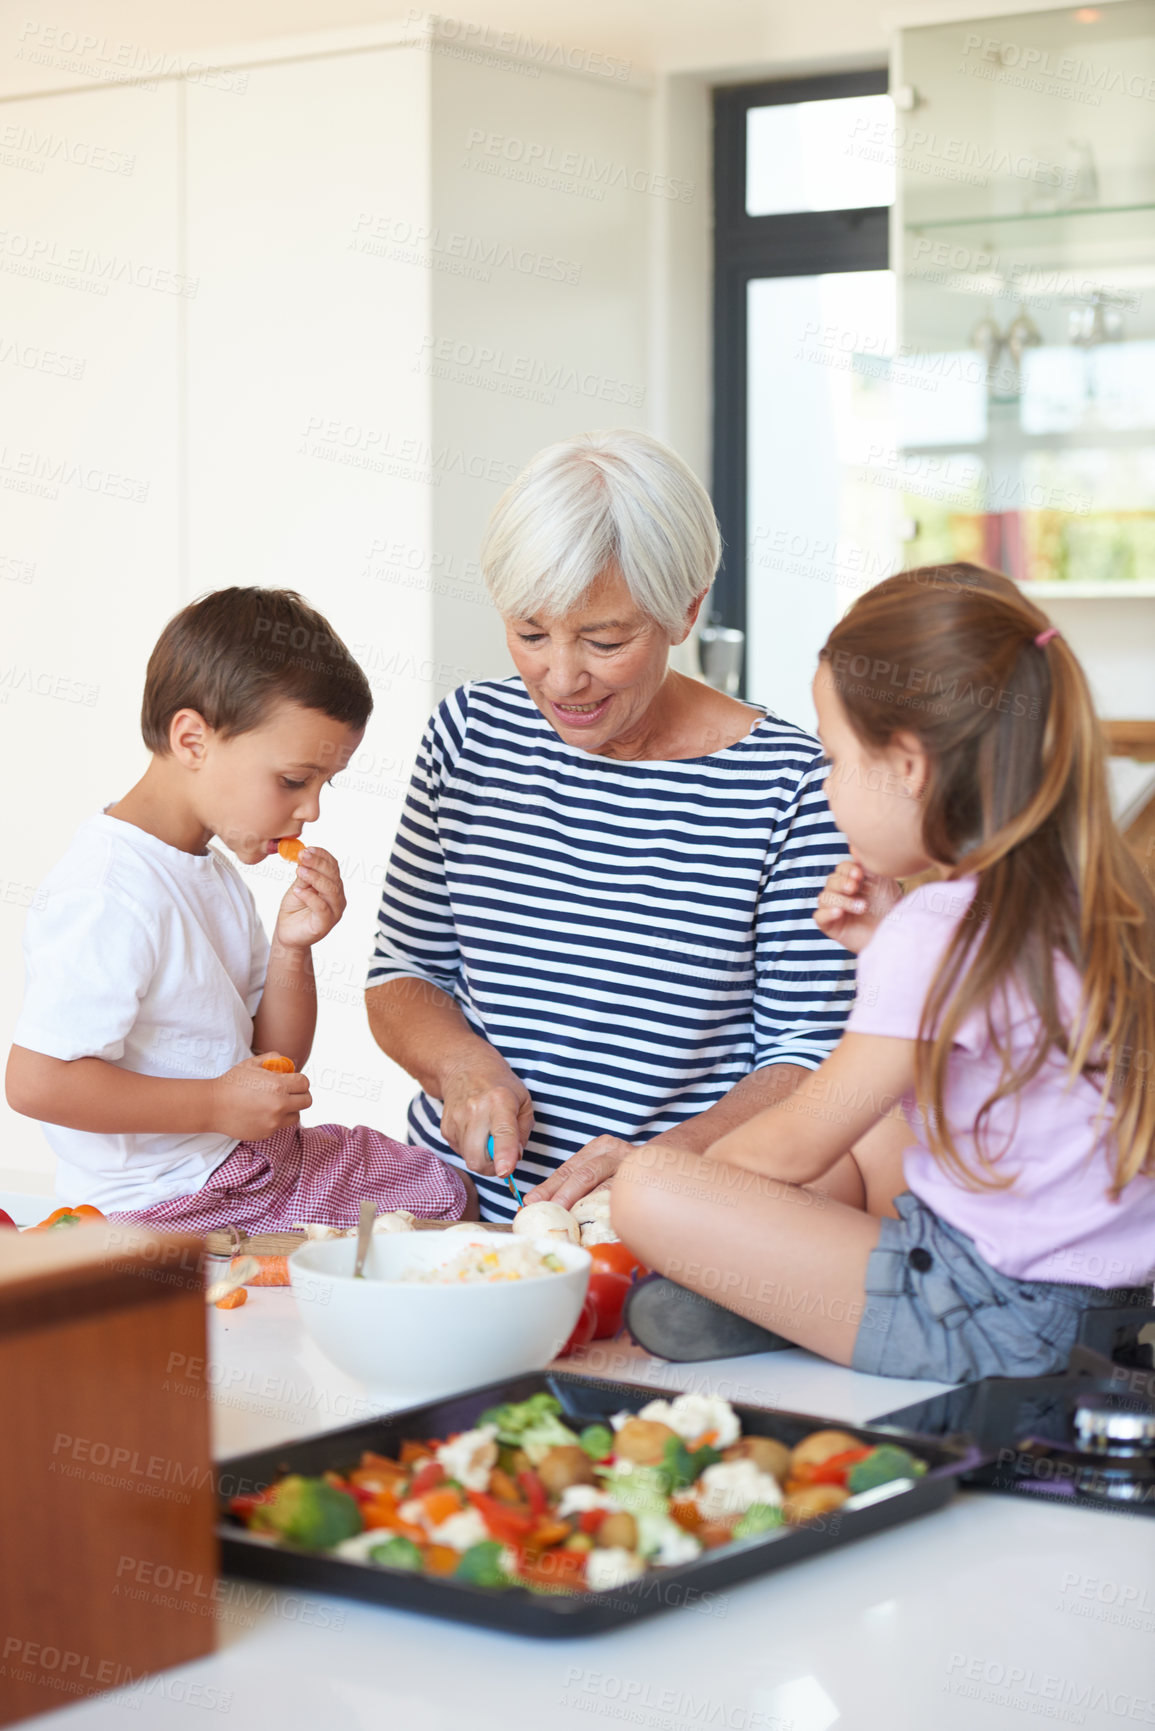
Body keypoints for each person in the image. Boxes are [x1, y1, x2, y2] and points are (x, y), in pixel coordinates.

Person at [611, 564, 1155, 1381]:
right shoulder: (1089, 888)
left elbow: (791, 1146)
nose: (826, 785)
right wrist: (886, 937)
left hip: (993, 1317)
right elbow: (996, 1031)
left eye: (834, 759)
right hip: (1102, 1303)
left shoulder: (939, 930)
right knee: (858, 1125)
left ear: (907, 766)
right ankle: (773, 1292)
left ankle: (771, 1294)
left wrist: (678, 1214)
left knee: (649, 1183)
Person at [366, 429, 892, 1223]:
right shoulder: (469, 733)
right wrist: (462, 1066)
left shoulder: (792, 786)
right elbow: (402, 970)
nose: (561, 676)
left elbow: (806, 1054)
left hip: (662, 1223)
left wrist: (662, 1163)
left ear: (684, 610)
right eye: (530, 633)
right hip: (453, 1206)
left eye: (605, 640)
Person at [5, 588, 471, 1231]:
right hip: (174, 1197)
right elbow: (36, 1083)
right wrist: (215, 1104)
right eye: (292, 781)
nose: (311, 810)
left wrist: (291, 947)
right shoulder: (110, 889)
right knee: (432, 1208)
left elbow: (277, 1053)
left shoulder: (211, 871)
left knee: (438, 1188)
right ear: (192, 740)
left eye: (322, 786)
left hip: (245, 1162)